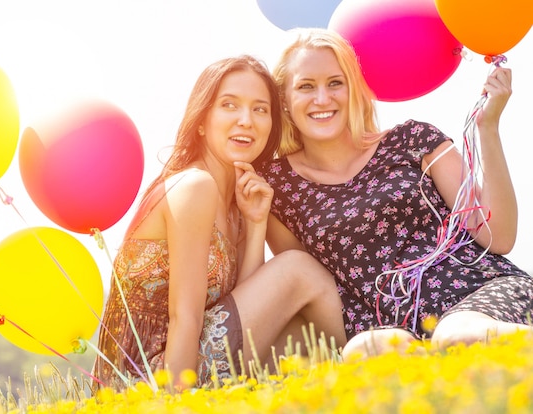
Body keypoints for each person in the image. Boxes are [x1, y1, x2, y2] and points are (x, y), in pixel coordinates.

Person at [258, 28, 533, 359]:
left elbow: (497, 236)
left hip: (482, 292)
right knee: (365, 351)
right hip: (393, 326)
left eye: (335, 82)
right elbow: (310, 285)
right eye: (305, 86)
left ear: (355, 90)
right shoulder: (278, 187)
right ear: (284, 101)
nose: (322, 99)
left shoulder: (412, 139)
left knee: (457, 335)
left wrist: (487, 128)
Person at [92, 55, 346, 392]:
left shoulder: (236, 201)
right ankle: (399, 358)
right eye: (230, 105)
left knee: (302, 332)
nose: (246, 121)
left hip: (192, 357)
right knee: (298, 269)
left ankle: (386, 367)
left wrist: (255, 224)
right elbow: (185, 318)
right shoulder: (195, 186)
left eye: (260, 109)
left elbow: (245, 305)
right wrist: (177, 405)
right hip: (151, 380)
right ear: (202, 120)